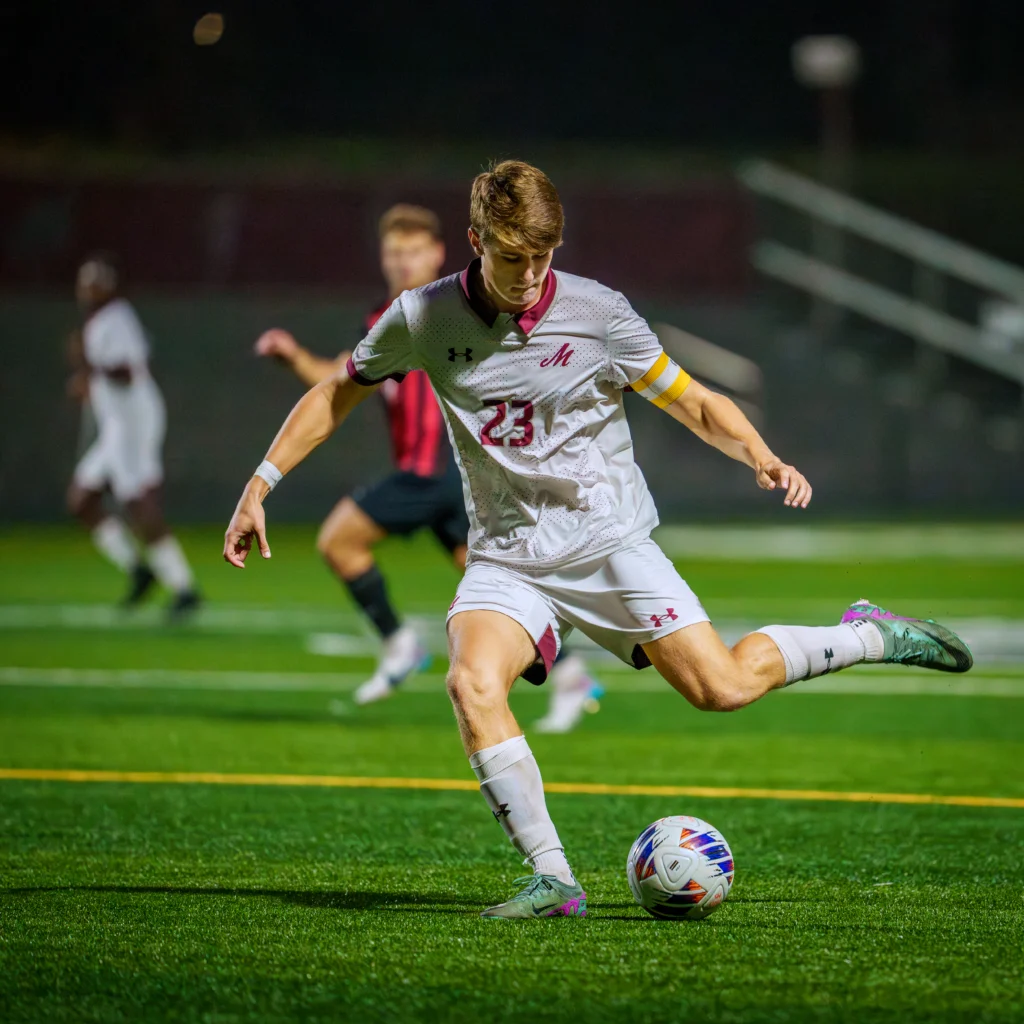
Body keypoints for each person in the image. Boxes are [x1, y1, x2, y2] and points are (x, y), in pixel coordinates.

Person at [224, 161, 972, 919]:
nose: (528, 275)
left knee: (722, 689)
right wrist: (260, 484)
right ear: (477, 241)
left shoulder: (598, 312)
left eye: (543, 257)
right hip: (508, 555)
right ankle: (554, 878)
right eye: (512, 258)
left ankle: (868, 635)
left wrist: (762, 454)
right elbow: (336, 391)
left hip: (609, 543)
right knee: (471, 683)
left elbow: (692, 400)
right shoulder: (423, 317)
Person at [254, 204, 601, 729]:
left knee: (338, 541)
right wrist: (292, 355)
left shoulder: (450, 312)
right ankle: (572, 674)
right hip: (452, 481)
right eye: (393, 253)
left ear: (439, 253)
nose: (402, 262)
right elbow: (337, 380)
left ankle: (399, 646)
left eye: (413, 252)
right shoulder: (388, 320)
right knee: (499, 587)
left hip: (436, 471)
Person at [68, 252, 200, 616]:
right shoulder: (100, 322)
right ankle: (140, 571)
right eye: (84, 283)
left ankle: (183, 586)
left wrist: (88, 366)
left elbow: (126, 372)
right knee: (82, 500)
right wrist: (88, 379)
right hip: (115, 426)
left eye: (95, 283)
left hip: (132, 424)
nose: (87, 290)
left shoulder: (116, 318)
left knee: (138, 503)